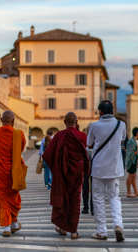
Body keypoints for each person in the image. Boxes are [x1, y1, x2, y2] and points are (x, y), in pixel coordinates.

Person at [43, 112, 90, 240]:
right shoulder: (82, 136)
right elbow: (87, 155)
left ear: (65, 122)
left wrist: (56, 168)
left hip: (62, 174)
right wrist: (86, 170)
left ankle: (62, 227)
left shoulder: (59, 136)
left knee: (63, 199)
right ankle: (74, 231)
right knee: (75, 201)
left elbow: (47, 155)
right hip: (77, 173)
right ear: (77, 122)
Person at [87, 100, 126, 242]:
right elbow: (122, 139)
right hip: (114, 168)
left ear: (101, 112)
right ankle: (118, 224)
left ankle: (101, 231)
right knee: (114, 197)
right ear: (112, 111)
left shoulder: (94, 126)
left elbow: (89, 143)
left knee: (98, 198)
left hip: (98, 168)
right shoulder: (121, 125)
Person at [0, 110, 27, 237]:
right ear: (13, 121)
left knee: (2, 197)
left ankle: (8, 226)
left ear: (1, 120)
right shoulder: (19, 134)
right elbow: (20, 149)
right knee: (13, 196)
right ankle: (12, 224)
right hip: (13, 171)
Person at [126, 127, 138, 198]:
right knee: (130, 176)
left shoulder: (134, 140)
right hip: (131, 161)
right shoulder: (131, 141)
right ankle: (128, 192)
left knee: (134, 176)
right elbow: (130, 152)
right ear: (137, 133)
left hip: (134, 160)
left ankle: (136, 191)